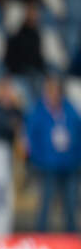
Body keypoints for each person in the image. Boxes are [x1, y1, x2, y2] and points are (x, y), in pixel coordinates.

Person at [23, 74, 81, 232]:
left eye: (56, 90)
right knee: (45, 204)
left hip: (69, 165)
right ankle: (41, 237)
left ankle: (72, 239)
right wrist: (38, 160)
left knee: (71, 205)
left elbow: (78, 132)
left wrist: (77, 157)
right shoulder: (38, 111)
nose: (54, 94)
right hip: (47, 166)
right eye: (51, 90)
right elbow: (30, 138)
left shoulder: (70, 109)